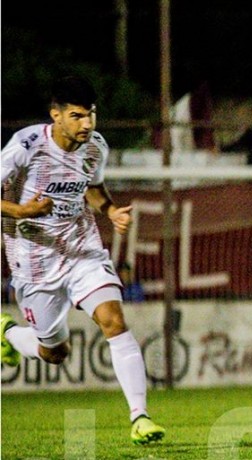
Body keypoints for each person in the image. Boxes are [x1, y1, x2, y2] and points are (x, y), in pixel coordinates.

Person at [0, 76, 165, 445]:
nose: (87, 124)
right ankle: (9, 334)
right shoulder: (26, 146)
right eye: (76, 116)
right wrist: (22, 210)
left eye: (90, 115)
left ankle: (140, 416)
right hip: (33, 261)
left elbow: (92, 186)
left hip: (82, 249)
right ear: (55, 115)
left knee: (114, 320)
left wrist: (109, 211)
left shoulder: (95, 147)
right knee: (54, 352)